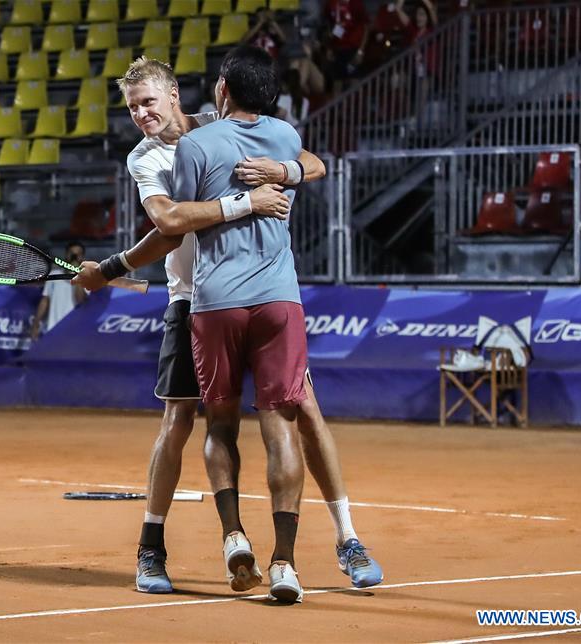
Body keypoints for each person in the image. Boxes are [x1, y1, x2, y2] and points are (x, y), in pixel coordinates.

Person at [74, 53, 383, 601]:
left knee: (304, 412)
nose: (142, 114)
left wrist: (280, 172)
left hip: (245, 297)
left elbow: (309, 162)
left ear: (175, 96)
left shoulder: (219, 126)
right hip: (190, 299)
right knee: (179, 419)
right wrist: (118, 266)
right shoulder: (145, 159)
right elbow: (169, 223)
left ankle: (348, 539)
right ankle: (152, 547)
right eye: (132, 107)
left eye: (149, 101)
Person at [31, 241, 87, 339]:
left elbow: (80, 300)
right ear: (66, 255)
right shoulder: (54, 274)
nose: (74, 256)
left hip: (73, 332)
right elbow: (45, 300)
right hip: (52, 329)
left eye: (78, 254)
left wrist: (77, 274)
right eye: (72, 253)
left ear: (82, 257)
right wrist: (36, 323)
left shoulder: (86, 279)